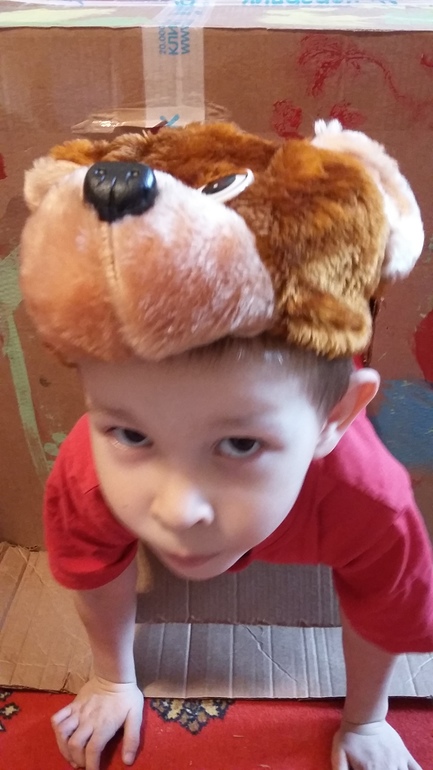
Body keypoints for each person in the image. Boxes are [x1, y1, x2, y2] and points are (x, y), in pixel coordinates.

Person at [19, 119, 433, 770]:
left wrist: (366, 719)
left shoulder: (368, 497)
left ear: (336, 418)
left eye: (239, 444)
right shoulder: (85, 470)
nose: (178, 510)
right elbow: (91, 567)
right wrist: (113, 678)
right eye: (131, 433)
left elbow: (387, 605)